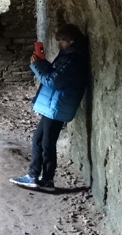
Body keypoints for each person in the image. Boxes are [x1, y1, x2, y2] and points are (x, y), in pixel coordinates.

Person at [10, 23, 89, 191]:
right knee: (40, 140)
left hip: (57, 106)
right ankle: (37, 176)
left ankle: (44, 179)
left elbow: (53, 81)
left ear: (71, 41)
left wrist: (37, 66)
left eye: (62, 40)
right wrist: (43, 63)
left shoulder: (72, 59)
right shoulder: (69, 56)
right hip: (55, 105)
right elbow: (55, 75)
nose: (59, 44)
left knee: (46, 143)